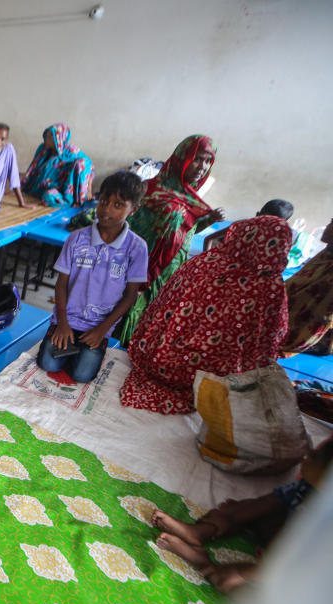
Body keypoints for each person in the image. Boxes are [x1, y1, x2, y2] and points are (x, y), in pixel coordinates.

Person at [120, 215, 292, 414]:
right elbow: (272, 337)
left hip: (158, 354)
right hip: (214, 375)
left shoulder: (205, 262)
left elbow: (162, 306)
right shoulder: (269, 286)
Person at [151, 437, 332, 593]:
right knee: (247, 508)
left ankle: (206, 565)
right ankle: (198, 532)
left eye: (315, 457)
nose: (307, 456)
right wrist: (235, 514)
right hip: (287, 534)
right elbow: (269, 502)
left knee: (246, 587)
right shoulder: (306, 487)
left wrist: (246, 572)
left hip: (300, 566)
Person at [37, 172, 148, 383]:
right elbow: (61, 285)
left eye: (118, 205)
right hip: (68, 318)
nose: (106, 209)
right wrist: (62, 323)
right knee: (48, 364)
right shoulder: (77, 239)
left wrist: (102, 330)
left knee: (82, 375)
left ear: (133, 209)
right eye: (104, 201)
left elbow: (131, 295)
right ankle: (70, 346)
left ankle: (82, 350)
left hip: (99, 324)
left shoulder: (136, 248)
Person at [115, 135, 226, 344]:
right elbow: (125, 228)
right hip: (140, 267)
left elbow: (185, 232)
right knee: (125, 314)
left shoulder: (192, 200)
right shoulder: (149, 190)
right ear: (181, 158)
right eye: (198, 159)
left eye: (208, 161)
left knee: (149, 321)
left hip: (168, 272)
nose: (202, 166)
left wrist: (209, 220)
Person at [283, 218, 333, 355]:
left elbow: (325, 312)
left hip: (305, 331)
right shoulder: (326, 254)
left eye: (332, 224)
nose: (328, 227)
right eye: (330, 222)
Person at [22, 123, 95, 207]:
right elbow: (32, 168)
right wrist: (22, 186)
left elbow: (90, 167)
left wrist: (89, 190)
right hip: (43, 187)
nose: (46, 139)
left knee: (81, 163)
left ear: (58, 139)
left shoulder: (72, 152)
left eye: (50, 137)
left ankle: (72, 199)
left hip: (62, 188)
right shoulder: (43, 149)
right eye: (46, 135)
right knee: (47, 195)